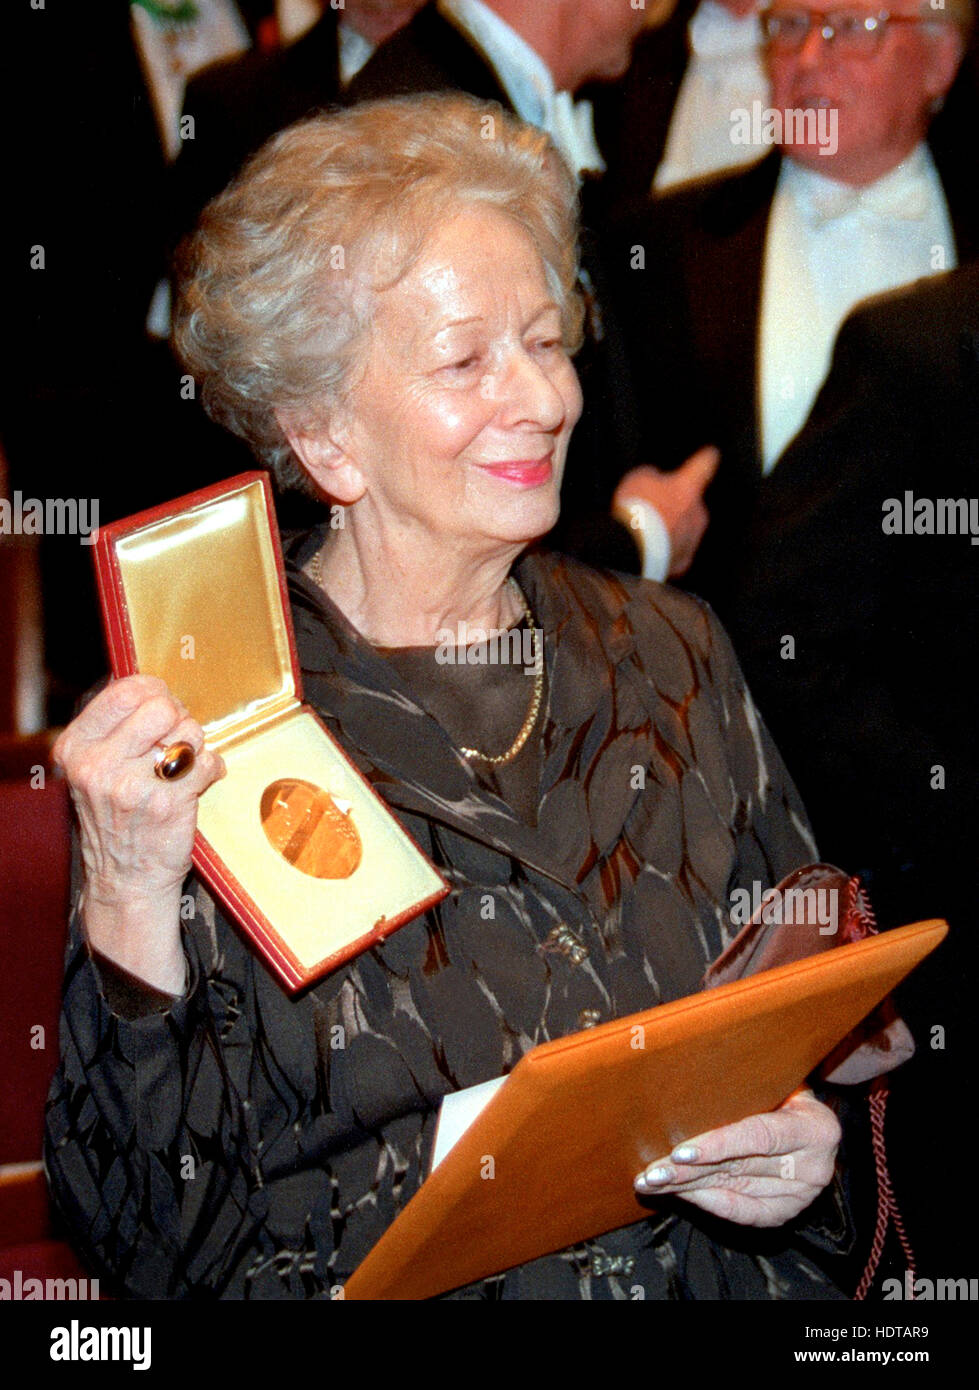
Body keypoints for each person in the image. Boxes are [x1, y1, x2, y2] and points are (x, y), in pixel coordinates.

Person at [45, 95, 847, 1301]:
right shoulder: (211, 724)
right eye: (466, 360)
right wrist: (123, 892)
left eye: (545, 338)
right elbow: (155, 1246)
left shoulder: (672, 649)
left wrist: (805, 1161)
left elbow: (809, 1021)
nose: (543, 399)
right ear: (325, 439)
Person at [611, 0, 977, 596]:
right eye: (790, 26)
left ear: (940, 60)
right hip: (724, 675)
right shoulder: (656, 253)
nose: (807, 58)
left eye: (852, 29)